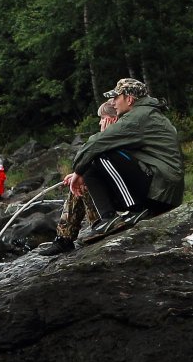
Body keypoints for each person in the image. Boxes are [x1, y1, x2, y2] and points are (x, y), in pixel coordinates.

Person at [67, 78, 184, 242]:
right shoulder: (147, 115)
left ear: (129, 99)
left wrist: (77, 171)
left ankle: (136, 209)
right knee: (92, 162)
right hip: (162, 191)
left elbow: (96, 143)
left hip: (160, 193)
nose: (113, 103)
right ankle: (108, 218)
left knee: (100, 154)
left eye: (116, 98)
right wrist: (81, 170)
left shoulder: (138, 117)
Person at [39, 101, 118, 256]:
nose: (100, 122)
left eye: (102, 118)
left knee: (83, 184)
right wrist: (77, 174)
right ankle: (64, 239)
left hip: (118, 202)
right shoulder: (108, 138)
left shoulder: (117, 138)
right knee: (79, 183)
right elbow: (86, 161)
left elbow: (101, 162)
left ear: (112, 119)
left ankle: (94, 226)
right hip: (112, 194)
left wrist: (103, 136)